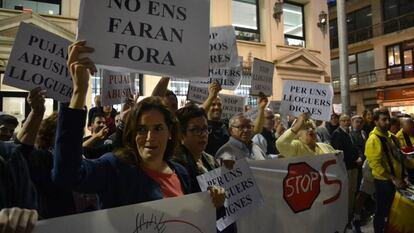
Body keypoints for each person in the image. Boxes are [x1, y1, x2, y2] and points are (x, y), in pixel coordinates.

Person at [52, 40, 224, 210]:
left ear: (170, 132)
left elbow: (195, 217)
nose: (150, 137)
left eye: (158, 128)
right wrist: (79, 91)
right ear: (133, 133)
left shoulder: (182, 172)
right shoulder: (116, 168)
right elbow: (67, 176)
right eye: (142, 129)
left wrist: (213, 201)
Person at [365, 108, 413, 233]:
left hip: (396, 181)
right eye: (383, 120)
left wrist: (404, 175)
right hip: (384, 182)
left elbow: (399, 159)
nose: (387, 122)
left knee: (394, 213)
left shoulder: (391, 137)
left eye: (388, 119)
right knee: (382, 212)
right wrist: (393, 178)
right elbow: (375, 165)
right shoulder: (373, 140)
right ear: (376, 121)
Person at [331, 114, 361, 229]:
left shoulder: (349, 132)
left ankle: (351, 216)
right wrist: (355, 158)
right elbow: (339, 153)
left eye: (348, 120)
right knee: (347, 194)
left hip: (354, 166)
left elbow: (354, 147)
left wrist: (359, 156)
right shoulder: (337, 134)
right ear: (340, 122)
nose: (347, 122)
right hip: (346, 167)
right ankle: (346, 219)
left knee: (353, 193)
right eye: (344, 120)